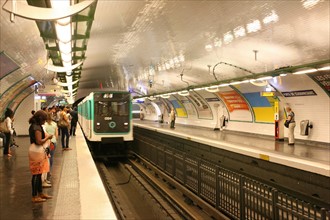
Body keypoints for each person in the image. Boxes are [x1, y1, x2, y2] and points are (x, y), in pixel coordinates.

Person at [28, 110, 53, 202]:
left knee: (38, 174)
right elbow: (39, 141)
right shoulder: (36, 128)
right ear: (40, 119)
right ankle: (35, 196)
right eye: (44, 120)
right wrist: (48, 137)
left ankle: (40, 193)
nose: (45, 121)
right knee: (36, 174)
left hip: (36, 151)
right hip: (36, 151)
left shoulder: (35, 126)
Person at [43, 112, 58, 186]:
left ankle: (46, 170)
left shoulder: (44, 125)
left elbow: (44, 134)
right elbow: (56, 134)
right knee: (51, 157)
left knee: (46, 157)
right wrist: (55, 140)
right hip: (53, 141)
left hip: (47, 142)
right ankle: (49, 170)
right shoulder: (54, 124)